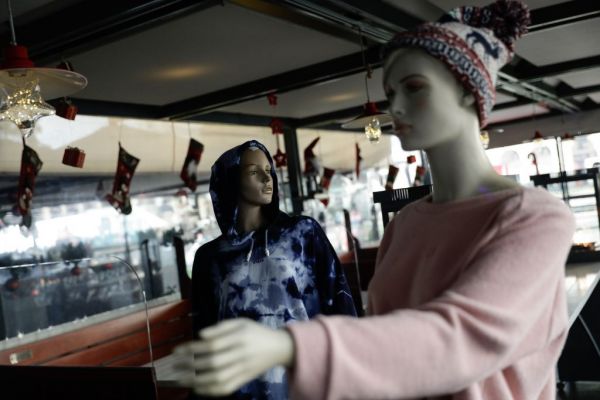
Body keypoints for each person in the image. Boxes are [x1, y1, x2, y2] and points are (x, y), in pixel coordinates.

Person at [175, 2, 575, 399]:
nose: (395, 108)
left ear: (468, 91)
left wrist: (290, 345)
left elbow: (459, 339)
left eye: (414, 87)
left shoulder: (534, 217)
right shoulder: (405, 224)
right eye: (390, 93)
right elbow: (382, 346)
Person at [189, 140, 356, 399]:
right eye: (254, 172)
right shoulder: (210, 257)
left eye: (269, 170)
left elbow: (339, 301)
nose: (267, 178)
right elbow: (205, 334)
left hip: (305, 379)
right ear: (232, 180)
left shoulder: (302, 233)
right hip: (241, 388)